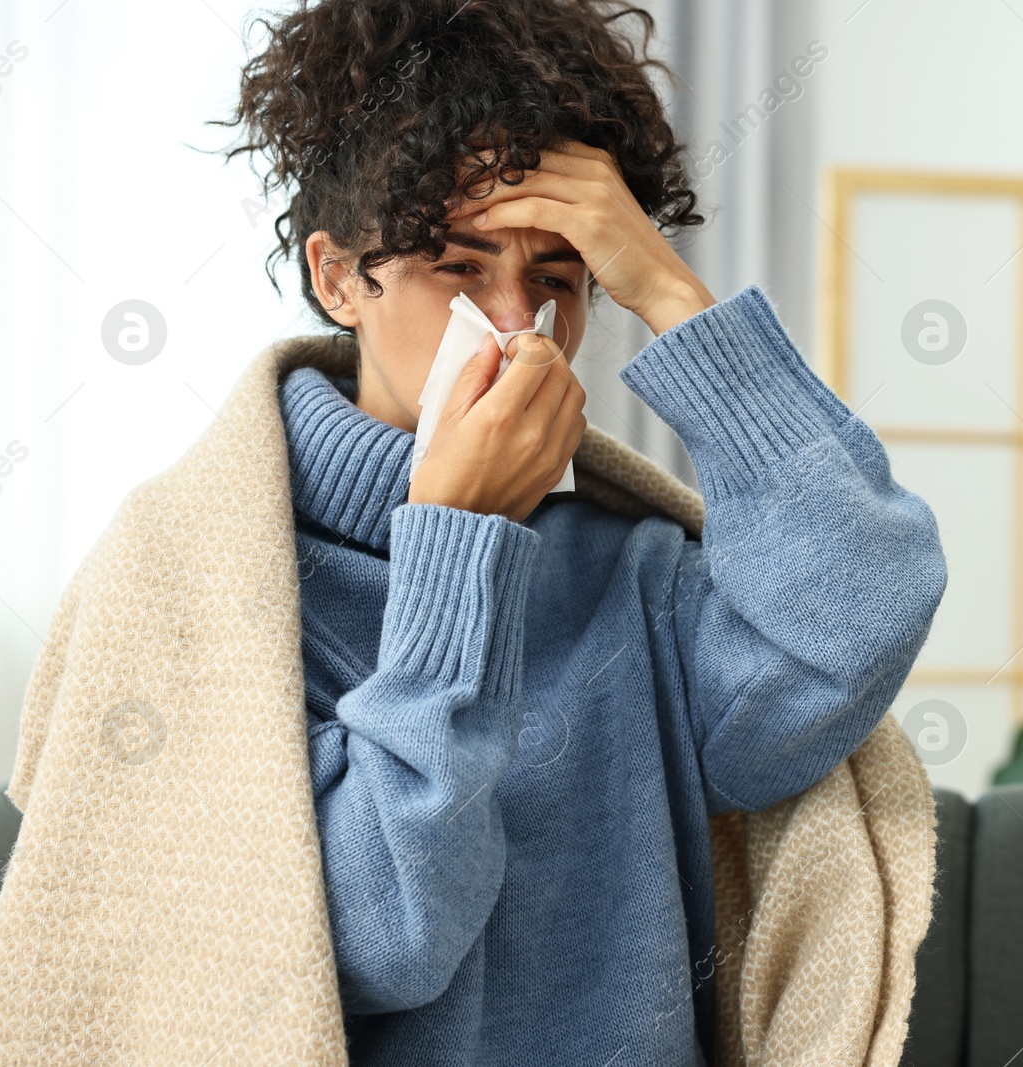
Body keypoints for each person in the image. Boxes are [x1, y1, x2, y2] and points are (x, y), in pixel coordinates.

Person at [210, 0, 948, 1062]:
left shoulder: (634, 578)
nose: (515, 325)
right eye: (459, 268)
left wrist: (665, 287)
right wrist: (454, 542)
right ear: (338, 278)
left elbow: (861, 609)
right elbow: (382, 942)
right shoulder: (231, 593)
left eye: (557, 281)